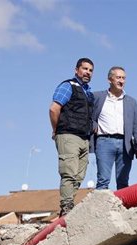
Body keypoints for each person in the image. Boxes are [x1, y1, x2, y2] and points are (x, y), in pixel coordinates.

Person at [49, 57, 95, 216]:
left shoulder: (88, 93)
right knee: (68, 172)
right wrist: (56, 130)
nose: (87, 72)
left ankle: (69, 204)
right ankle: (66, 207)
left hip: (84, 138)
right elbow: (54, 109)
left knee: (79, 175)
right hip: (68, 135)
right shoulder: (68, 86)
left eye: (90, 70)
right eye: (84, 69)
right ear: (77, 70)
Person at [91, 66, 137, 190]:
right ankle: (102, 208)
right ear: (110, 79)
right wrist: (92, 124)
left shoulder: (131, 102)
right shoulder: (97, 97)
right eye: (118, 77)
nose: (121, 81)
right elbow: (88, 116)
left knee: (123, 181)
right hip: (104, 142)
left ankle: (122, 208)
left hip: (125, 145)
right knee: (103, 180)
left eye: (124, 78)